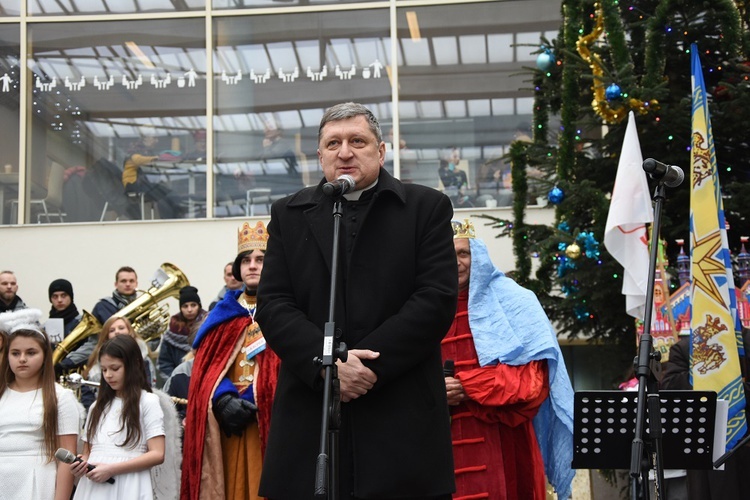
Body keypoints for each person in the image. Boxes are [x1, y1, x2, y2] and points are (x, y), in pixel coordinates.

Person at [256, 102, 458, 499]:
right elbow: (274, 303)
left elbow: (434, 299)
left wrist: (364, 367)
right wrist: (327, 366)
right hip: (311, 418)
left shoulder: (424, 208)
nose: (344, 152)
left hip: (399, 416)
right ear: (320, 156)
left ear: (381, 151)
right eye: (333, 143)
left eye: (357, 141)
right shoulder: (288, 214)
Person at [441, 219, 575, 500]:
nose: (456, 262)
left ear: (477, 254)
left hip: (503, 441)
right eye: (447, 254)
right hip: (437, 447)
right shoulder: (423, 307)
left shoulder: (515, 300)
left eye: (463, 253)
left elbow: (532, 383)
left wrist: (466, 387)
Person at [181, 220, 280, 500]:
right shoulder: (222, 313)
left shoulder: (286, 310)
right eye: (246, 260)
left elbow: (287, 364)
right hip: (225, 422)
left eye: (260, 259)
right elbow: (205, 369)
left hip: (269, 418)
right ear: (238, 268)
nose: (252, 265)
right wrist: (224, 398)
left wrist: (252, 395)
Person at [70, 334, 165, 499]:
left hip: (130, 483)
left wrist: (112, 469)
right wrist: (81, 463)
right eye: (104, 369)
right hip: (94, 486)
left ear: (133, 365)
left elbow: (157, 454)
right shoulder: (96, 407)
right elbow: (87, 452)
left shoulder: (147, 401)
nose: (108, 375)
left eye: (115, 368)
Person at [0, 308, 81, 500]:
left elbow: (66, 459)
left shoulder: (61, 397)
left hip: (36, 480)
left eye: (31, 352)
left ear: (45, 355)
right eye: (15, 353)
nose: (22, 359)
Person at [660, 329, 750, 500]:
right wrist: (703, 375)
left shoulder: (746, 339)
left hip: (744, 446)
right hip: (703, 452)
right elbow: (670, 389)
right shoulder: (685, 347)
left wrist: (731, 385)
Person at [56, 266, 141, 375]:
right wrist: (67, 362)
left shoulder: (146, 308)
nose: (128, 284)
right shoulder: (103, 307)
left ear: (136, 283)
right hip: (106, 364)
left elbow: (151, 344)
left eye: (131, 281)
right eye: (123, 281)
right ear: (116, 284)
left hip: (135, 361)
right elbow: (93, 344)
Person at [80, 316, 155, 409]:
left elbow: (147, 385)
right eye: (111, 330)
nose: (117, 332)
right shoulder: (95, 362)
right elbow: (87, 397)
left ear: (130, 331)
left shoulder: (144, 360)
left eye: (121, 328)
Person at [122, 135, 183, 219]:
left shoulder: (143, 151)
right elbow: (139, 159)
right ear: (145, 139)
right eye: (154, 138)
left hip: (141, 184)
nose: (156, 141)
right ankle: (171, 218)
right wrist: (159, 157)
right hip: (135, 185)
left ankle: (173, 216)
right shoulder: (135, 153)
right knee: (166, 196)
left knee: (167, 194)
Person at [157, 285, 207, 379]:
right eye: (185, 306)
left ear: (199, 306)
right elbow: (164, 364)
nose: (189, 310)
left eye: (193, 305)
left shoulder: (209, 328)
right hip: (178, 382)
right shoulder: (171, 334)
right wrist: (176, 380)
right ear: (180, 308)